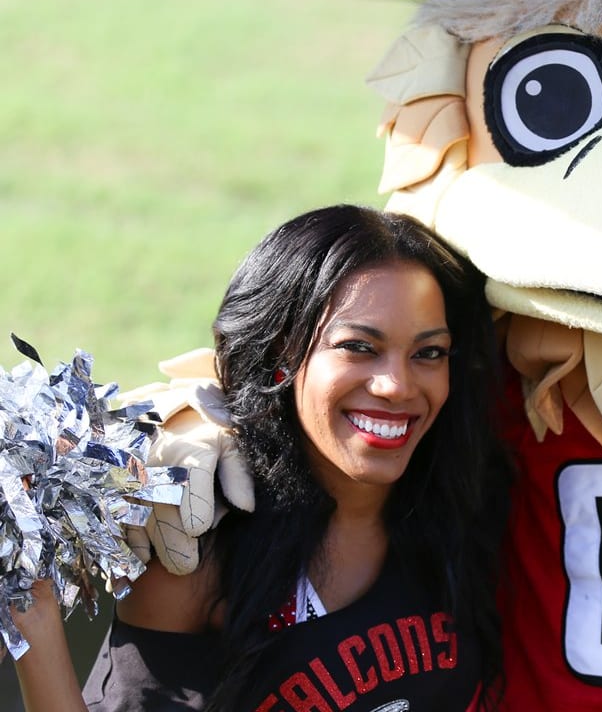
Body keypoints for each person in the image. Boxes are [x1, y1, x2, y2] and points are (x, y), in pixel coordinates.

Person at [11, 205, 513, 711]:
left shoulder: (472, 501)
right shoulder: (201, 545)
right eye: (359, 346)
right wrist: (31, 612)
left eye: (428, 353)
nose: (397, 386)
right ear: (281, 356)